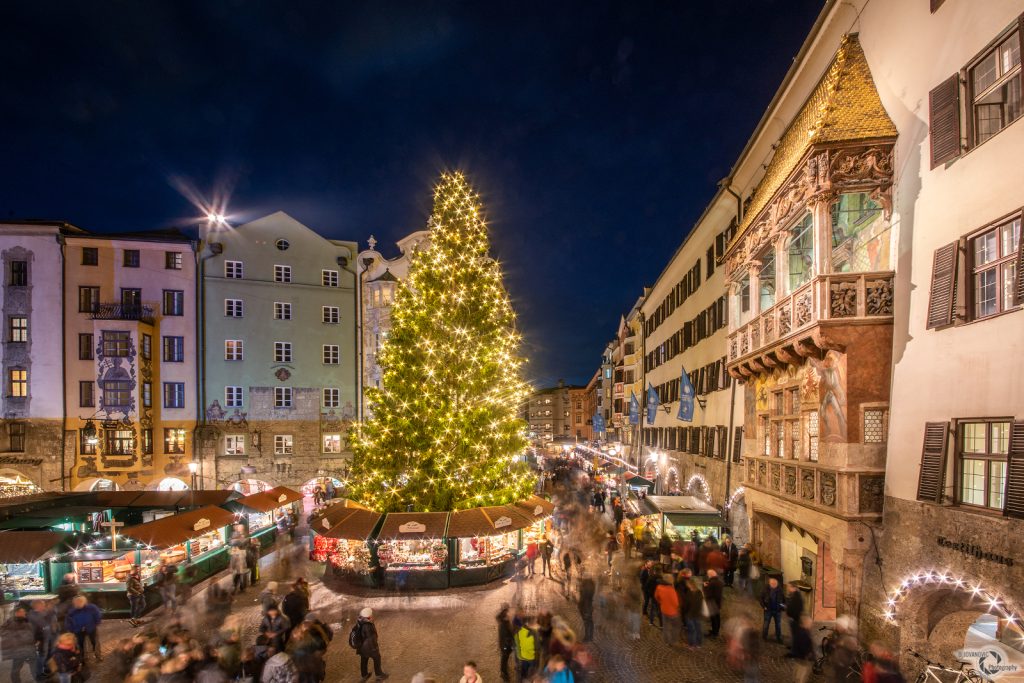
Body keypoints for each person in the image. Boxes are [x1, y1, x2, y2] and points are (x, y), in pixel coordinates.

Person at [1, 605, 36, 683]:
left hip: (30, 648)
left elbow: (32, 632)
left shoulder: (27, 620)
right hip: (19, 650)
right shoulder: (10, 621)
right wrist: (18, 636)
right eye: (21, 611)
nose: (24, 613)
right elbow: (2, 631)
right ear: (16, 613)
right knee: (16, 669)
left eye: (24, 611)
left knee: (34, 667)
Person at [64, 595, 102, 662]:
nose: (78, 603)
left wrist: (95, 623)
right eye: (77, 602)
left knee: (95, 642)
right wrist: (71, 629)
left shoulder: (91, 608)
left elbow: (97, 615)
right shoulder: (72, 611)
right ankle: (83, 657)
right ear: (74, 603)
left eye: (80, 601)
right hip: (78, 630)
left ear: (84, 602)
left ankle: (98, 655)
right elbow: (68, 621)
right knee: (80, 644)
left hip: (91, 628)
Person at [354, 607, 387, 681]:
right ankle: (379, 675)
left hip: (361, 647)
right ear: (369, 616)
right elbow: (371, 639)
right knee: (377, 658)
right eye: (372, 614)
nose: (373, 615)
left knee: (364, 660)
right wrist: (375, 648)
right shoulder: (368, 625)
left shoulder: (360, 622)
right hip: (369, 647)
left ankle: (364, 675)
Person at [28, 599, 57, 680]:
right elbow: (34, 630)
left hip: (47, 637)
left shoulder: (41, 613)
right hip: (41, 640)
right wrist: (36, 640)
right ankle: (38, 674)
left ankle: (45, 669)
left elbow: (49, 618)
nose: (44, 606)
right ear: (38, 605)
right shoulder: (33, 616)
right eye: (43, 605)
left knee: (47, 654)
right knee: (41, 656)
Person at [653, 573, 681, 646]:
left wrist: (661, 602)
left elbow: (656, 597)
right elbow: (676, 602)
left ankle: (667, 641)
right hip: (673, 612)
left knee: (666, 626)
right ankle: (673, 640)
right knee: (676, 626)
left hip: (664, 610)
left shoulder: (659, 587)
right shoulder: (671, 589)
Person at [789, 615, 814, 683]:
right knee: (801, 675)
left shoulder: (799, 631)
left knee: (797, 673)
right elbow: (804, 646)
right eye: (810, 623)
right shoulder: (804, 634)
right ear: (805, 623)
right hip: (802, 658)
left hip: (798, 657)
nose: (811, 625)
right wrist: (808, 654)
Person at [760, 577, 784, 643]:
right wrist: (764, 606)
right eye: (772, 582)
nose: (773, 584)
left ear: (777, 583)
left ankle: (778, 638)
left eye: (774, 583)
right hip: (768, 610)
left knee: (778, 625)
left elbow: (783, 600)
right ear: (769, 582)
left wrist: (782, 607)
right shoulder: (765, 588)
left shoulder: (780, 590)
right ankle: (764, 637)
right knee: (766, 624)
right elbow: (761, 598)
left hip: (777, 611)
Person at [682, 578, 704, 649]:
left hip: (690, 615)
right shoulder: (699, 592)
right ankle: (698, 644)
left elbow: (686, 606)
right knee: (698, 629)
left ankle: (691, 645)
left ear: (691, 584)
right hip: (697, 614)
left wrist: (684, 612)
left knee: (691, 630)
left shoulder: (689, 593)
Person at [496, 604, 515, 682]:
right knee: (504, 658)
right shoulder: (504, 625)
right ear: (505, 613)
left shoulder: (505, 621)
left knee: (505, 658)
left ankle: (504, 671)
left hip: (505, 645)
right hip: (505, 646)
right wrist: (512, 645)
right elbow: (507, 638)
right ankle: (504, 674)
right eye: (508, 611)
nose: (510, 613)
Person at [785, 581, 805, 653]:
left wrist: (793, 617)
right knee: (793, 634)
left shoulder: (797, 596)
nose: (787, 588)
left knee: (795, 634)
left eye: (788, 587)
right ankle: (792, 646)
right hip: (793, 618)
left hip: (795, 619)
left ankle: (794, 651)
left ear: (793, 587)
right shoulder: (793, 594)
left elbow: (798, 608)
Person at [704, 569, 724, 638]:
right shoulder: (720, 582)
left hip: (712, 603)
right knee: (717, 618)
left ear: (710, 575)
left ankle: (714, 633)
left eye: (708, 575)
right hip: (718, 602)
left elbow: (707, 594)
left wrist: (705, 587)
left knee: (713, 619)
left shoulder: (712, 583)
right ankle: (716, 631)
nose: (707, 576)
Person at [577, 577, 595, 643]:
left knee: (587, 622)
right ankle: (590, 636)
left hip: (585, 607)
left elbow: (582, 599)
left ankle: (587, 637)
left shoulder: (586, 593)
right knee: (590, 621)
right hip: (587, 607)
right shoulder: (590, 591)